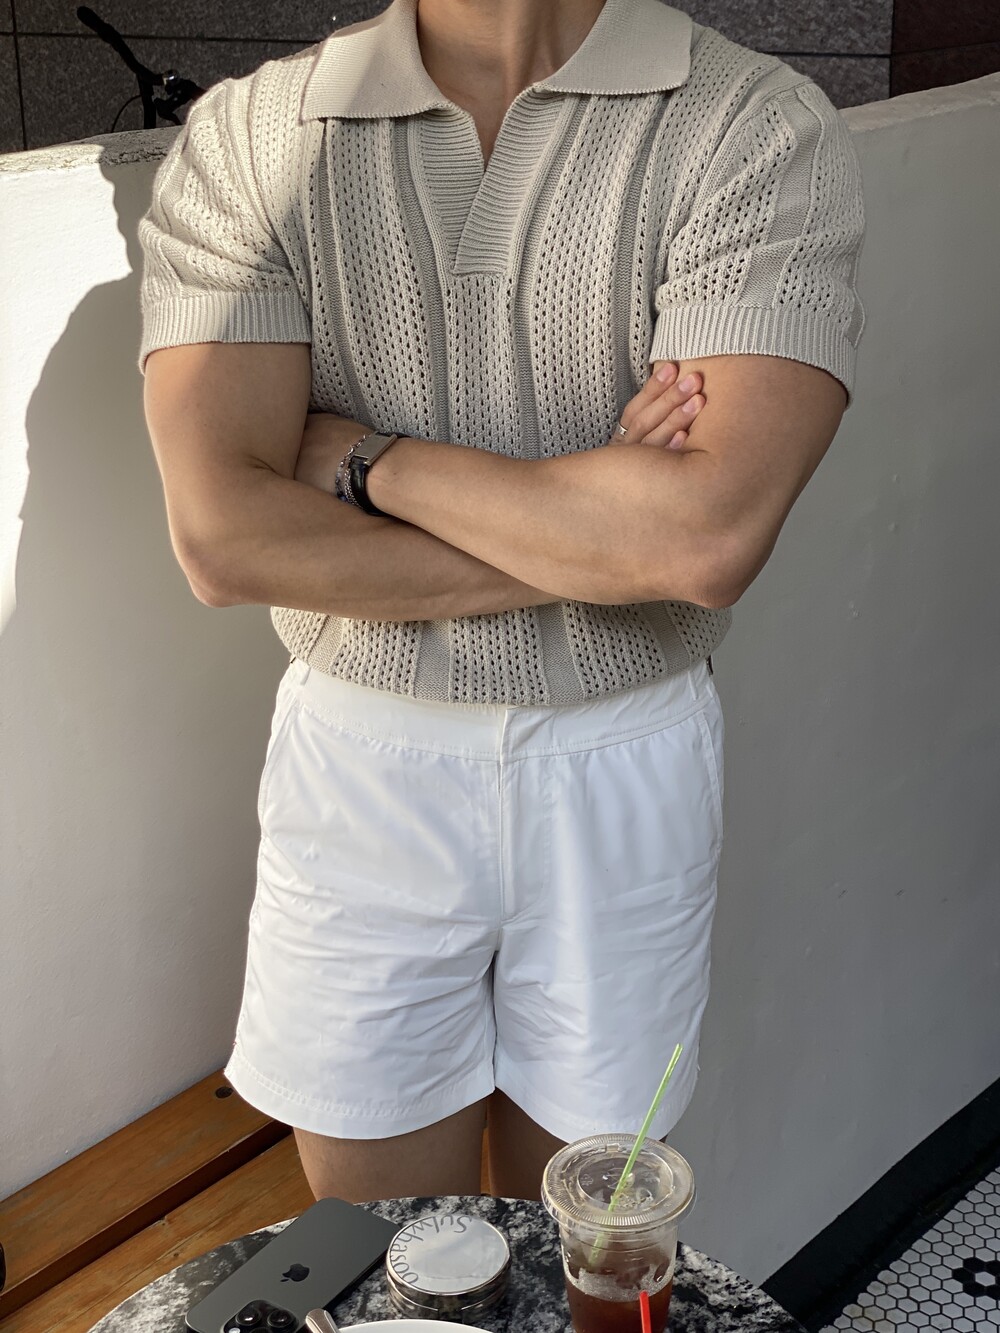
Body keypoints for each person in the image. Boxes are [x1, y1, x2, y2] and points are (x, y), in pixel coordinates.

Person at [138, 0, 865, 1203]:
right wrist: (602, 535)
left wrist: (371, 461)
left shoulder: (750, 123)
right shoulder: (252, 138)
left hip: (621, 748)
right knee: (385, 1246)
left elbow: (705, 535)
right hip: (365, 759)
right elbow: (226, 539)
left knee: (584, 1231)